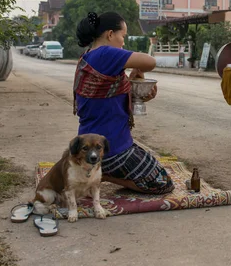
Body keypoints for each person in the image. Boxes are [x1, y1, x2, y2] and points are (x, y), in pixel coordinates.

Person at [73, 11, 174, 194]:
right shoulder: (105, 53)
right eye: (123, 36)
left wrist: (134, 83)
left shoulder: (88, 56)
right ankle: (100, 173)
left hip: (90, 145)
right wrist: (137, 65)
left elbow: (108, 97)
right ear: (110, 34)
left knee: (149, 165)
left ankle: (93, 168)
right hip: (110, 149)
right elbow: (150, 62)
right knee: (162, 182)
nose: (123, 42)